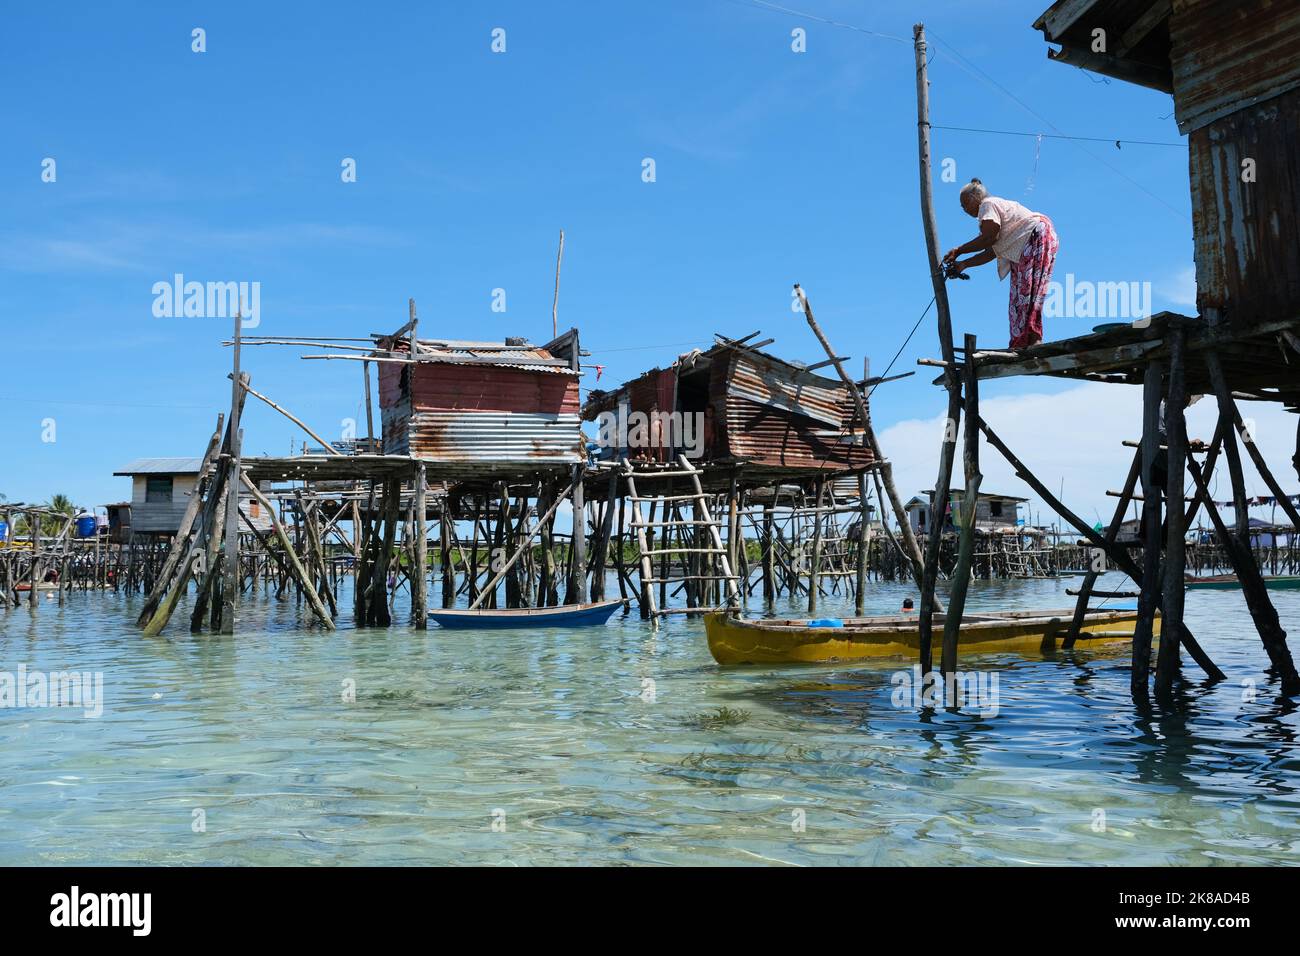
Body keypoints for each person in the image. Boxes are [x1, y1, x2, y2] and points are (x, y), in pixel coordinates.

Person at [942, 178, 1059, 349]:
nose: (964, 209)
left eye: (965, 203)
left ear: (975, 198)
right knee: (1023, 294)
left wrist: (959, 250)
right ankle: (1025, 341)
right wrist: (963, 264)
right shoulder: (989, 215)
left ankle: (1030, 340)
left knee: (1027, 292)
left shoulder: (987, 205)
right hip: (1030, 240)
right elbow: (991, 251)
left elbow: (989, 238)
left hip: (1033, 236)